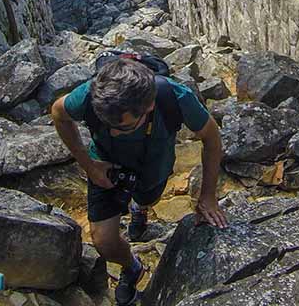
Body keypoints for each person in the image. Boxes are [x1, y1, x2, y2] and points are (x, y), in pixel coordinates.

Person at [51, 53, 228, 306]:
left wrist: (208, 196)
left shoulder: (175, 98)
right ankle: (132, 267)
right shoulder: (90, 96)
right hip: (104, 167)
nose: (112, 131)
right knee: (103, 241)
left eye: (123, 127)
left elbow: (211, 138)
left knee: (147, 197)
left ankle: (139, 206)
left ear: (149, 107)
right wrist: (88, 164)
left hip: (152, 168)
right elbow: (58, 112)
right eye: (106, 123)